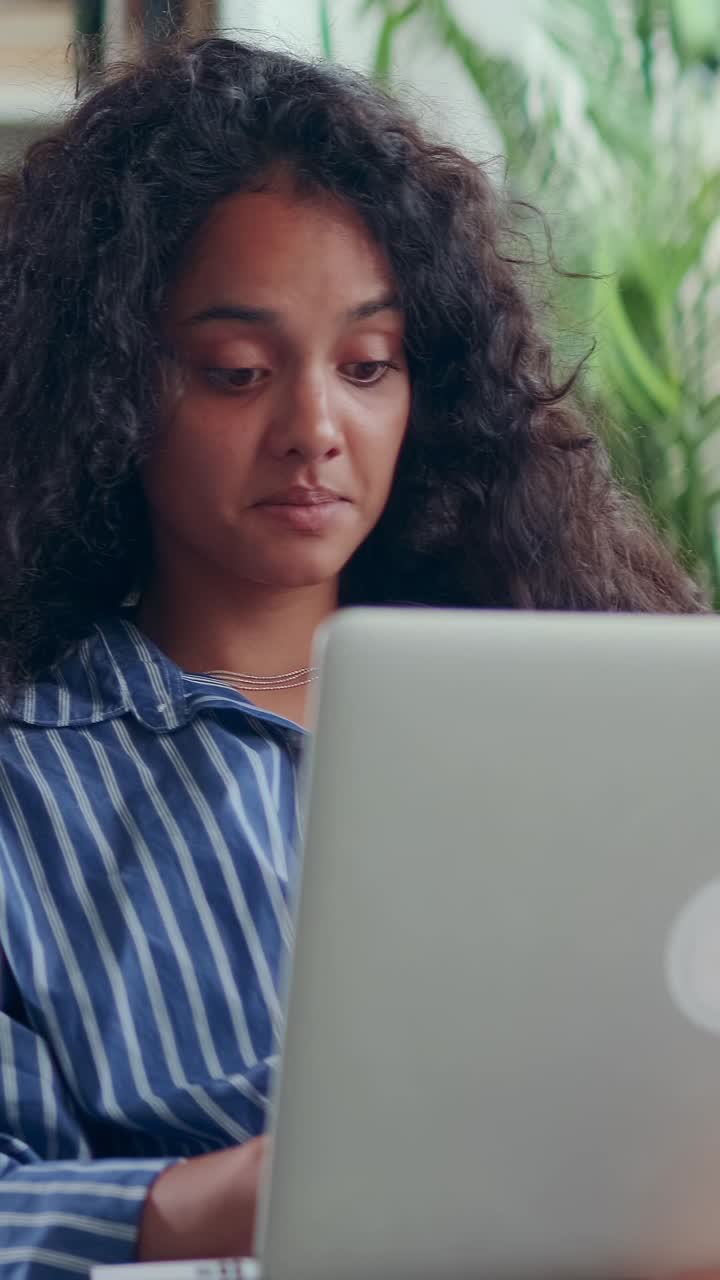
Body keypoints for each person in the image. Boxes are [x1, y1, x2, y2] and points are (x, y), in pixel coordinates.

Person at [0, 32, 706, 1279]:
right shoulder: (31, 774)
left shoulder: (587, 708)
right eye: (237, 372)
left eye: (369, 365)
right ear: (107, 386)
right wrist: (229, 1194)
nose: (316, 430)